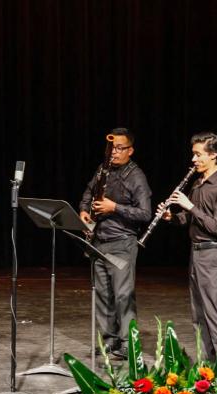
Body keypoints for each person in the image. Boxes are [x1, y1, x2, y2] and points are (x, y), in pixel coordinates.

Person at [159, 132, 217, 361]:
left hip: (213, 252)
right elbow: (188, 220)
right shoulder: (198, 183)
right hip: (197, 251)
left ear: (213, 155)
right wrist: (171, 218)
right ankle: (206, 365)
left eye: (198, 154)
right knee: (198, 314)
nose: (193, 159)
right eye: (193, 154)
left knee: (213, 312)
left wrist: (190, 206)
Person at [79, 128, 151, 360]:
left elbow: (145, 213)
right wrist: (83, 210)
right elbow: (88, 193)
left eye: (120, 148)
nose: (114, 152)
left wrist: (114, 208)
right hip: (99, 241)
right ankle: (109, 340)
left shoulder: (136, 176)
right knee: (103, 294)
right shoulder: (103, 169)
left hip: (122, 243)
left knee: (122, 295)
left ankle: (129, 343)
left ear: (130, 150)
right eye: (111, 148)